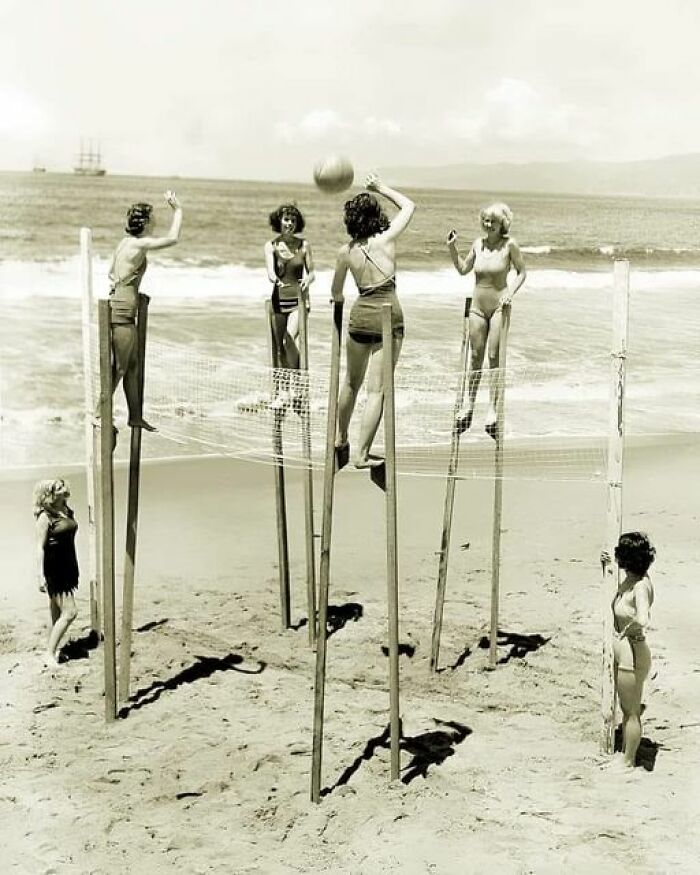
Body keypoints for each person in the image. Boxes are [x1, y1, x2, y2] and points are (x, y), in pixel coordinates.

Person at [332, 174, 415, 469]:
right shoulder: (387, 238)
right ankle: (362, 455)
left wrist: (338, 302)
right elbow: (408, 205)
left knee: (350, 383)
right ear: (376, 216)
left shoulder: (345, 252)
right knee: (376, 391)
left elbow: (336, 292)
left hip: (360, 315)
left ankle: (340, 439)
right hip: (388, 317)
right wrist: (380, 187)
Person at [446, 203, 526, 438]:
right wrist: (452, 248)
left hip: (500, 306)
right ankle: (468, 406)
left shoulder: (509, 245)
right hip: (478, 308)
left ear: (503, 224)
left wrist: (510, 292)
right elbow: (463, 269)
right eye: (485, 220)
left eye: (492, 221)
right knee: (475, 357)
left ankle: (492, 409)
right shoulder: (477, 244)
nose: (488, 224)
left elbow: (522, 272)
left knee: (493, 357)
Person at [108, 191, 183, 432]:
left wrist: (131, 290)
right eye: (153, 219)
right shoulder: (140, 243)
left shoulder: (124, 243)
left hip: (120, 303)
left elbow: (112, 274)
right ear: (146, 223)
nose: (155, 222)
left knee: (132, 366)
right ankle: (100, 413)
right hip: (123, 311)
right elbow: (173, 239)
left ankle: (135, 416)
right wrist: (178, 211)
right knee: (119, 367)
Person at [602, 532, 656, 769]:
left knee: (630, 711)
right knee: (629, 708)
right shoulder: (631, 579)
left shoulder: (641, 586)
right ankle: (626, 753)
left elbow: (644, 616)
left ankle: (628, 761)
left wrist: (634, 625)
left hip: (632, 652)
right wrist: (606, 563)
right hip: (625, 650)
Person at [264, 204, 315, 377]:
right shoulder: (271, 246)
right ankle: (284, 391)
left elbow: (312, 273)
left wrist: (308, 279)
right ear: (279, 221)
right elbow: (270, 271)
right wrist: (274, 279)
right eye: (286, 220)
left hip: (299, 302)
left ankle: (298, 380)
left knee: (289, 339)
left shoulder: (304, 245)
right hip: (278, 301)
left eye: (293, 220)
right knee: (279, 348)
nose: (289, 223)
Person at [34, 479, 80, 666]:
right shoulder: (45, 517)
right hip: (54, 568)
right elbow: (40, 547)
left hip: (69, 564)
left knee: (56, 611)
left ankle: (53, 649)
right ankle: (49, 654)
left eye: (63, 485)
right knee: (70, 612)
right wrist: (40, 575)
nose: (65, 489)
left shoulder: (66, 510)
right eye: (59, 488)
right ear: (49, 495)